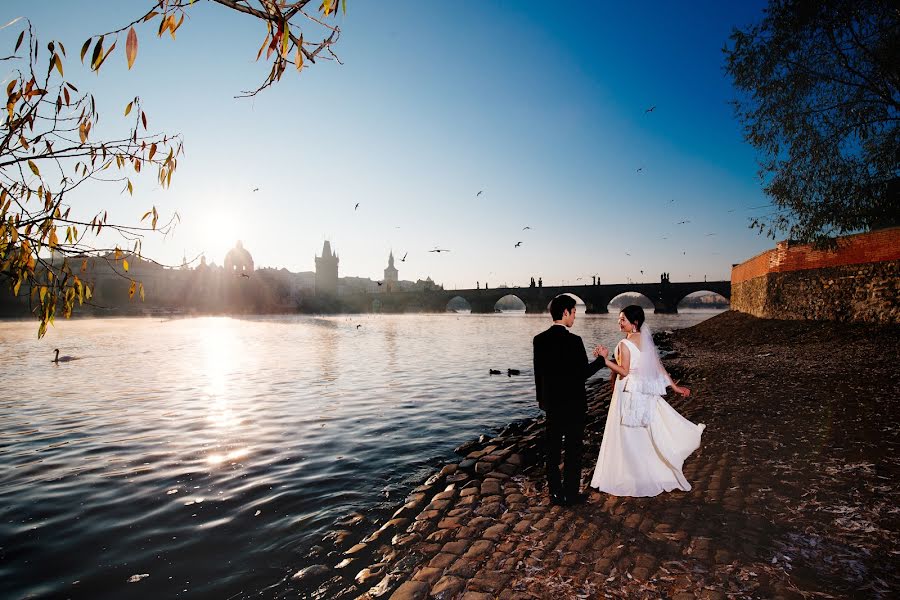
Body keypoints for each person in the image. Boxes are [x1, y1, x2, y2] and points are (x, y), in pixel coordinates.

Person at [590, 305, 704, 497]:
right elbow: (658, 366)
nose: (619, 322)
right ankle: (646, 471)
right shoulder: (645, 340)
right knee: (641, 433)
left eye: (623, 319)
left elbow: (624, 371)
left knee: (625, 434)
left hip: (628, 391)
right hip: (642, 390)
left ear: (634, 323)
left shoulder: (624, 344)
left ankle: (627, 475)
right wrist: (675, 387)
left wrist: (604, 360)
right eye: (619, 319)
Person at [533, 294, 605, 505]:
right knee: (573, 451)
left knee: (552, 452)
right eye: (574, 312)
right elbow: (582, 373)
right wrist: (601, 360)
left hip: (552, 405)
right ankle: (571, 494)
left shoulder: (540, 340)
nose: (575, 316)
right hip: (574, 405)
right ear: (565, 312)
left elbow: (539, 376)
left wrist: (542, 402)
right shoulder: (574, 341)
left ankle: (555, 494)